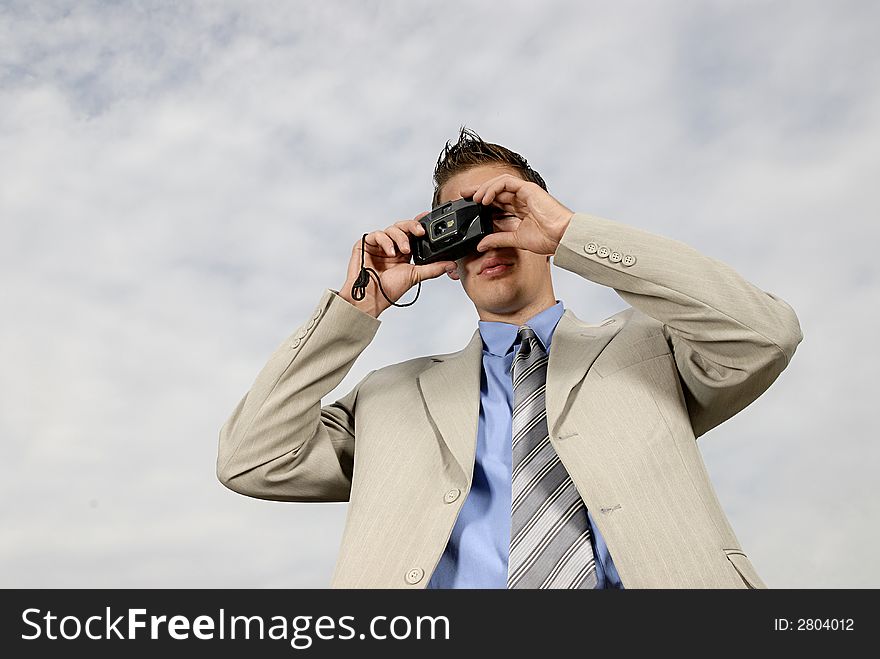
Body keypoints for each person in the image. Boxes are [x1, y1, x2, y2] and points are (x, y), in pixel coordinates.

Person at [217, 128, 802, 588]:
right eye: (460, 224)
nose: (485, 238)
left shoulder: (653, 346)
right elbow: (252, 458)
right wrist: (356, 307)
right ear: (440, 247)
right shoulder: (388, 397)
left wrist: (570, 233)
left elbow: (766, 335)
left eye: (502, 212)